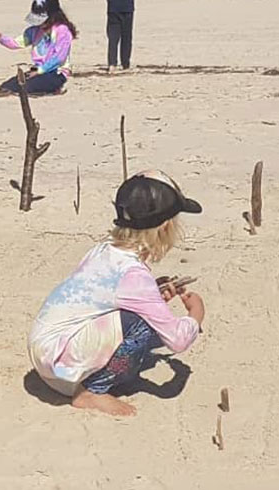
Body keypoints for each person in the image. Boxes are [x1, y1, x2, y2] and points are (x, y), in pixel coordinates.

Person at [28, 171, 206, 416]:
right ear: (165, 226)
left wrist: (154, 292)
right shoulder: (133, 275)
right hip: (61, 365)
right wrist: (196, 314)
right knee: (142, 325)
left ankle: (96, 378)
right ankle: (93, 391)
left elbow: (102, 296)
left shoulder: (104, 250)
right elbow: (178, 340)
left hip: (46, 355)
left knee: (140, 321)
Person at [0, 0, 75, 96]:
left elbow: (59, 58)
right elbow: (15, 43)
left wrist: (40, 71)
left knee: (26, 88)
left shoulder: (62, 31)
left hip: (57, 73)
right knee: (7, 87)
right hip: (37, 70)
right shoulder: (34, 31)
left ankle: (55, 89)